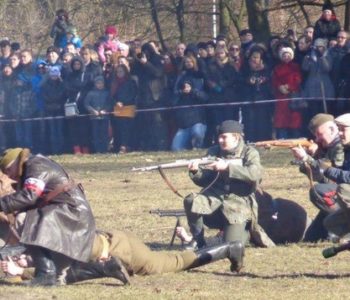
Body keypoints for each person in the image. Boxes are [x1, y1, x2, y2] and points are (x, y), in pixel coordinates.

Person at [0, 229, 245, 286]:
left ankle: (228, 248)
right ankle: (228, 248)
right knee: (176, 260)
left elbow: (54, 274)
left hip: (118, 253)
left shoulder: (55, 251)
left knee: (70, 275)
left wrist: (21, 273)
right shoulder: (45, 238)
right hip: (118, 239)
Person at [0, 148, 96, 286]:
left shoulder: (35, 166)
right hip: (68, 215)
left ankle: (45, 273)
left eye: (8, 169)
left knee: (24, 220)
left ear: (17, 161)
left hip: (72, 215)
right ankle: (108, 267)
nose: (9, 175)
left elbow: (29, 196)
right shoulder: (33, 166)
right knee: (61, 274)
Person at [183, 120, 274, 255]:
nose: (220, 140)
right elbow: (205, 180)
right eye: (219, 137)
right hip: (214, 199)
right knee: (191, 201)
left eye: (224, 137)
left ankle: (246, 233)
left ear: (236, 137)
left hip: (238, 203)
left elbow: (255, 174)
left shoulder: (249, 153)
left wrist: (227, 168)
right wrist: (196, 171)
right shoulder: (214, 151)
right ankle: (198, 239)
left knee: (230, 246)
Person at [291, 113, 344, 242]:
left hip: (344, 193)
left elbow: (332, 179)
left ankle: (344, 225)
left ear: (332, 129)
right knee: (311, 237)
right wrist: (311, 157)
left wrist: (307, 158)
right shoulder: (328, 147)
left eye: (320, 134)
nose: (317, 139)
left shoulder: (340, 148)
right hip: (338, 196)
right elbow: (316, 175)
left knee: (317, 191)